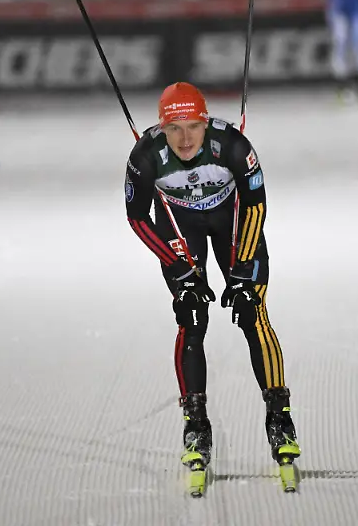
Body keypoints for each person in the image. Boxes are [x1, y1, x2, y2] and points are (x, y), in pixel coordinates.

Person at [124, 82, 301, 470]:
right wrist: (180, 271)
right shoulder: (146, 155)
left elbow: (255, 207)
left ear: (205, 123)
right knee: (191, 317)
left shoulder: (233, 146)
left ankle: (279, 418)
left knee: (253, 312)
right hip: (179, 224)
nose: (185, 139)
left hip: (230, 222)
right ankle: (196, 425)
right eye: (174, 129)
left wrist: (242, 273)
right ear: (162, 128)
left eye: (193, 127)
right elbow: (137, 218)